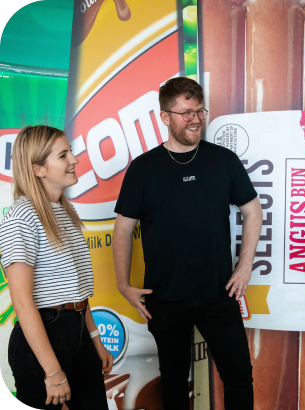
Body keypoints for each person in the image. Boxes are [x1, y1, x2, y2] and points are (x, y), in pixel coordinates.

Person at [113, 77, 263, 410]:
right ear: (164, 117)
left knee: (239, 376)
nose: (195, 119)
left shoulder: (223, 161)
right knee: (175, 384)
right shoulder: (143, 169)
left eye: (199, 111)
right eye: (185, 113)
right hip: (164, 299)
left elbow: (253, 212)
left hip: (218, 293)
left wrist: (244, 266)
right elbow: (123, 229)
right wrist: (123, 285)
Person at [0, 126, 114, 409]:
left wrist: (95, 340)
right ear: (38, 169)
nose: (75, 160)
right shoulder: (22, 216)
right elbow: (23, 302)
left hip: (76, 330)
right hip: (43, 336)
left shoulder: (65, 210)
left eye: (71, 152)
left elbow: (76, 291)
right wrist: (52, 372)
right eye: (63, 155)